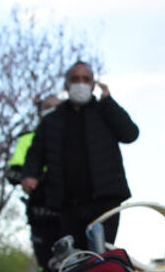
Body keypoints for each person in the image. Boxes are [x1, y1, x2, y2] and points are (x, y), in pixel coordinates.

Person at [21, 61, 139, 254]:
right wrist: (30, 175)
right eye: (75, 79)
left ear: (93, 84)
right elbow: (35, 154)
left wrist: (108, 102)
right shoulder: (52, 120)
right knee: (74, 260)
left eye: (86, 79)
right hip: (67, 205)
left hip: (104, 202)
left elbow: (130, 134)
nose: (81, 83)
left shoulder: (105, 112)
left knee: (101, 257)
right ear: (67, 84)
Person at [7, 94, 62, 270]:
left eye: (57, 106)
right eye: (47, 106)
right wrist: (37, 181)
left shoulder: (76, 140)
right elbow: (12, 173)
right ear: (39, 112)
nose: (52, 110)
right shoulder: (28, 139)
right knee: (48, 268)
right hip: (41, 215)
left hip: (73, 213)